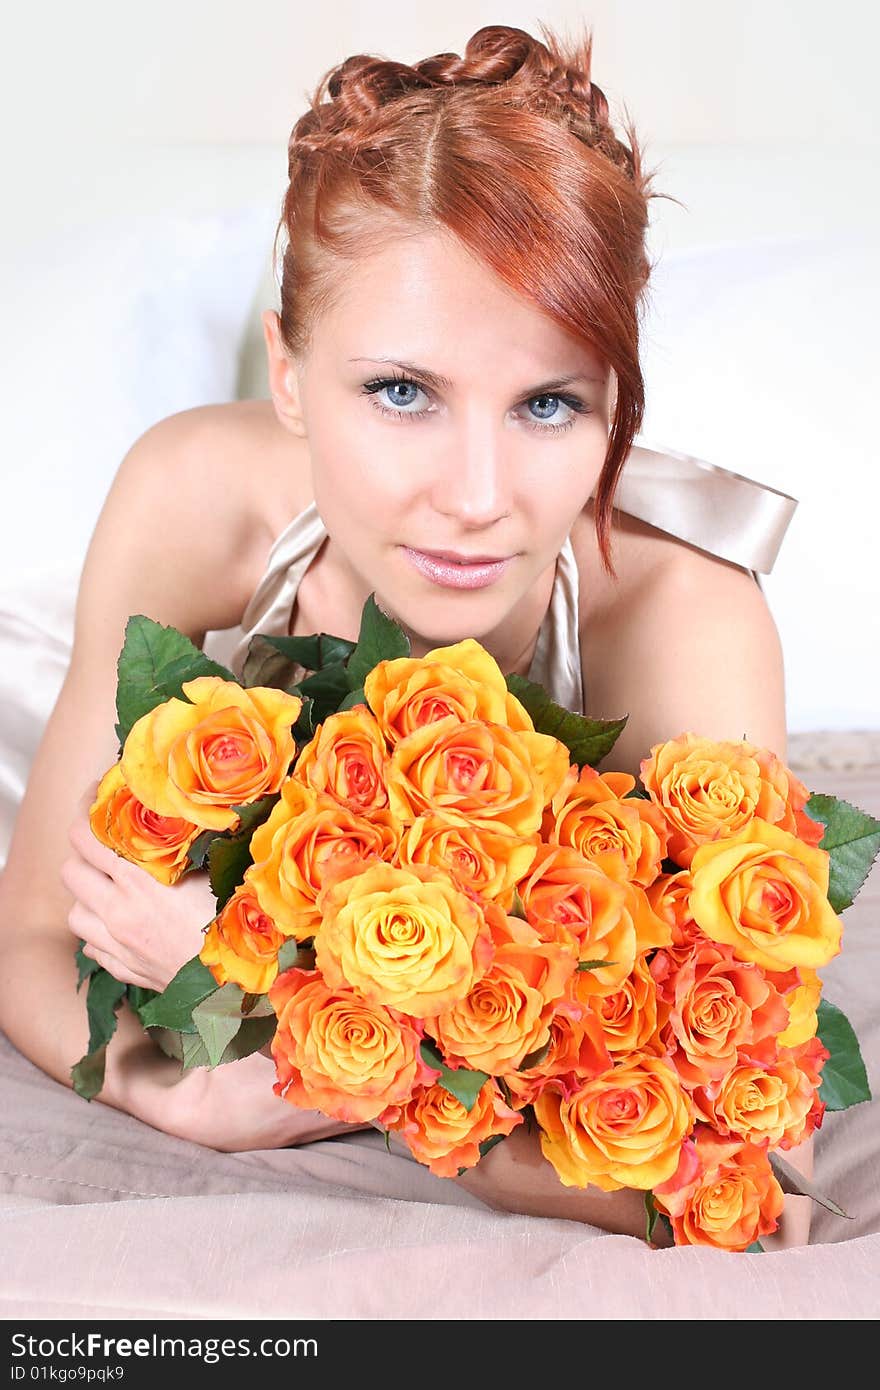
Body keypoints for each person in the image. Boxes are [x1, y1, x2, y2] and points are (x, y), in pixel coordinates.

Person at [0, 21, 812, 1246]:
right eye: (400, 392)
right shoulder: (194, 495)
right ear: (286, 373)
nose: (479, 495)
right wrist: (166, 1086)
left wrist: (292, 1012)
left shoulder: (683, 622)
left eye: (549, 403)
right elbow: (34, 936)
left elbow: (736, 1176)